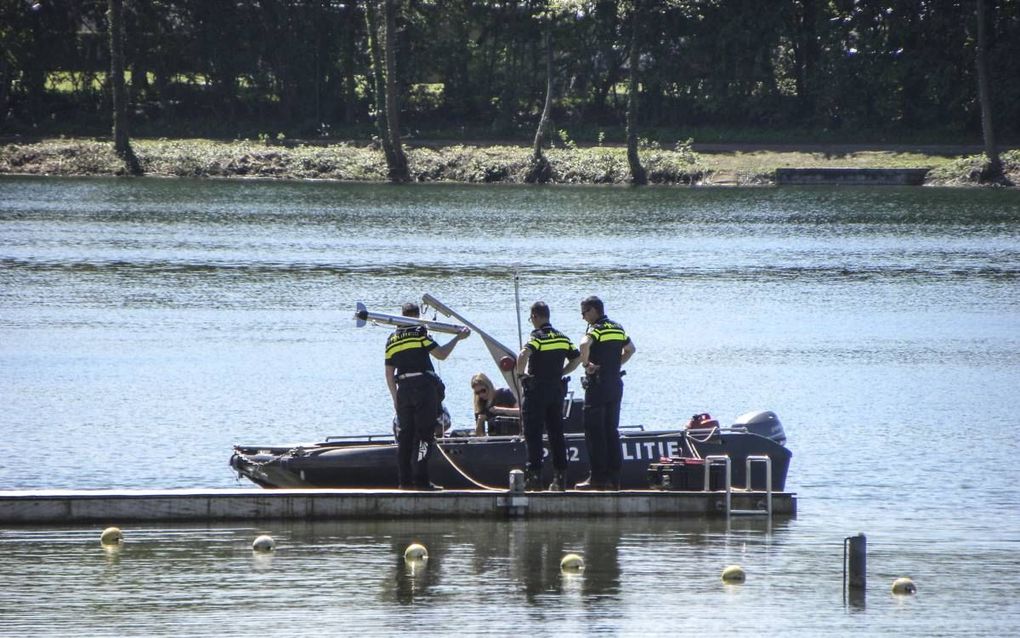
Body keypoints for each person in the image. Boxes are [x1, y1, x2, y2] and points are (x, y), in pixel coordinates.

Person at [385, 302, 470, 490]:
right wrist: (457, 338)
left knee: (405, 438)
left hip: (403, 390)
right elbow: (441, 354)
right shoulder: (419, 333)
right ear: (417, 316)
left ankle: (404, 481)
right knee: (425, 437)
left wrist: (395, 399)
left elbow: (389, 373)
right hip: (423, 388)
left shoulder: (392, 339)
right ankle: (422, 480)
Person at [515, 301, 582, 492]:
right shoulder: (562, 337)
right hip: (556, 390)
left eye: (531, 318)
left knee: (533, 434)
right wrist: (561, 372)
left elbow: (523, 355)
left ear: (535, 316)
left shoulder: (537, 336)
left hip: (536, 390)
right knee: (556, 434)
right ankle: (560, 479)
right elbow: (576, 358)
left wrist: (521, 375)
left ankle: (534, 478)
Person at [577, 295, 635, 490]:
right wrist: (615, 364)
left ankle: (597, 478)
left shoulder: (596, 329)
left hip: (598, 385)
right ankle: (614, 479)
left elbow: (584, 345)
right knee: (612, 431)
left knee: (594, 432)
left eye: (584, 312)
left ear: (594, 310)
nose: (583, 316)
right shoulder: (618, 328)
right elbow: (631, 349)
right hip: (615, 383)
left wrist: (586, 365)